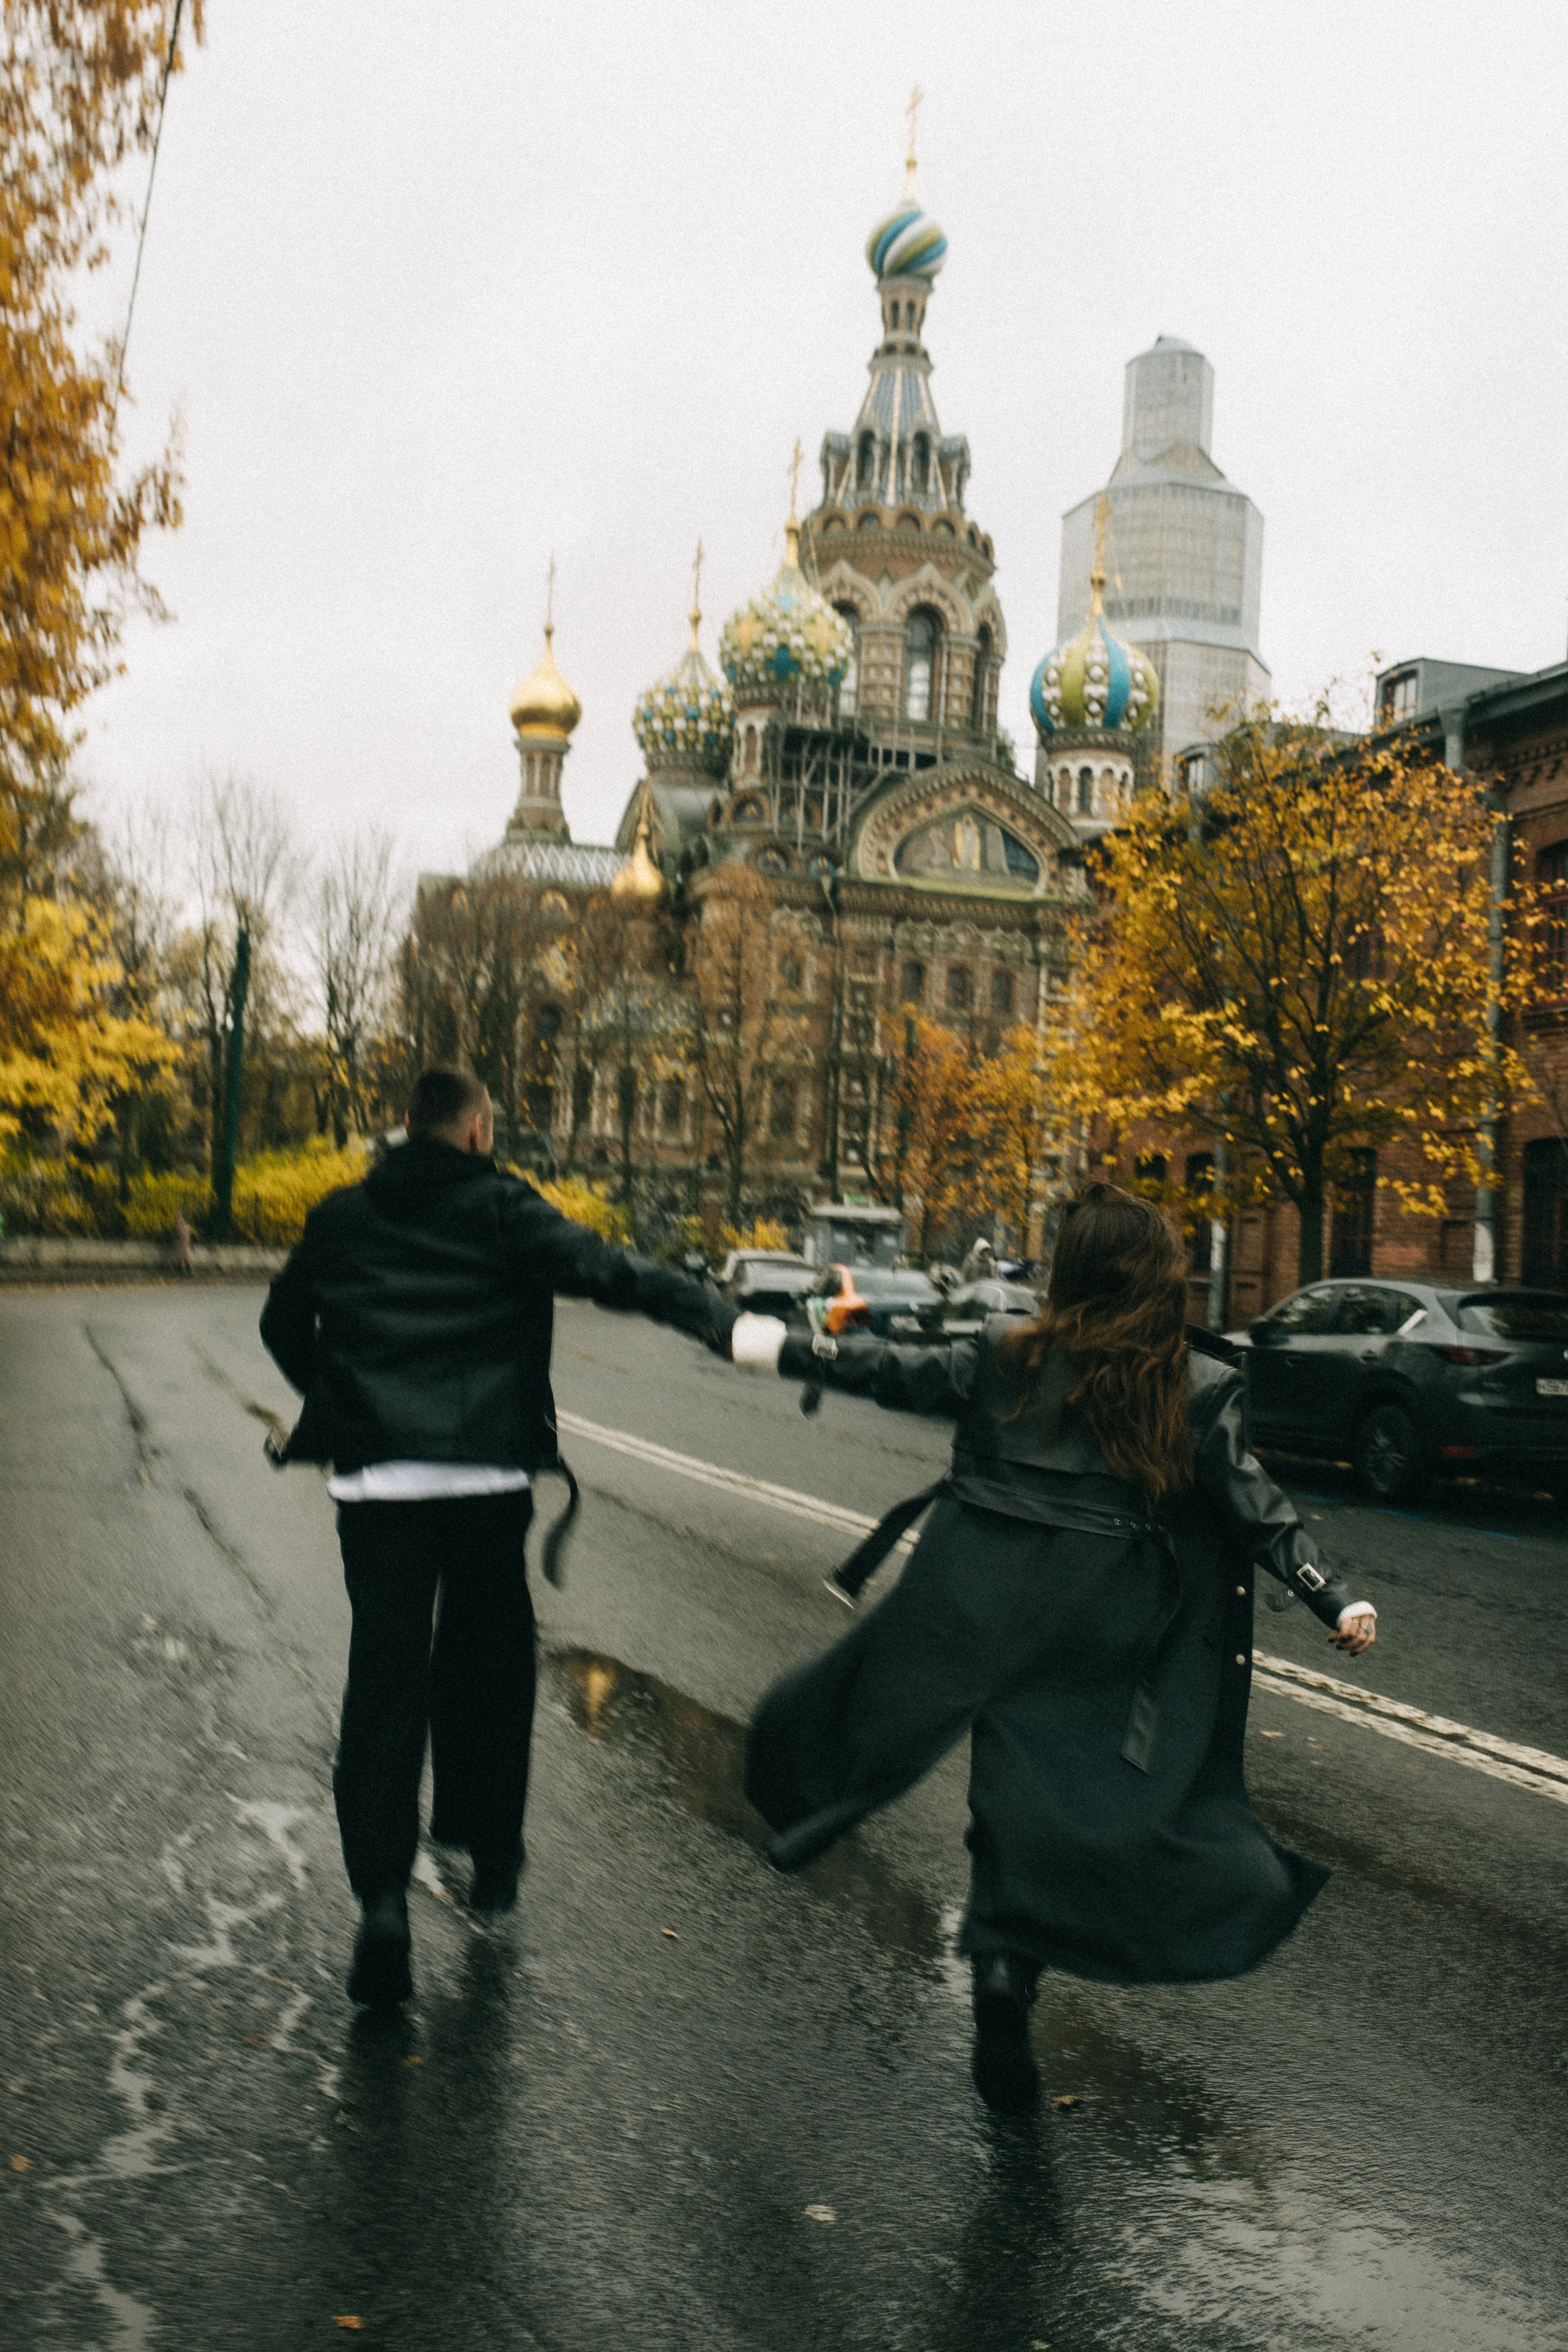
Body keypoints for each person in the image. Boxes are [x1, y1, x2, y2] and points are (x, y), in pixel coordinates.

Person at [728, 1183, 1376, 2115]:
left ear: (1068, 1275)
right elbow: (1254, 1507)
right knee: (1052, 1804)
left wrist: (769, 1343)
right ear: (1158, 1283)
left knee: (990, 1787)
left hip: (984, 1606)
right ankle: (1008, 1965)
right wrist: (1334, 1597)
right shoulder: (1192, 1385)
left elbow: (886, 1367)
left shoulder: (1006, 1357)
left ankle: (996, 1970)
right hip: (1105, 1630)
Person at [259, 1067, 737, 2007]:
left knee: (386, 1676)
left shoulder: (342, 1215)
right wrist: (721, 1319)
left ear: (407, 1128)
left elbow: (282, 1323)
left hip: (379, 1482)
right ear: (478, 1131)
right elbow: (616, 1273)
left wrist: (343, 1393)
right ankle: (492, 1852)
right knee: (490, 1664)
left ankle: (383, 1903)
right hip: (486, 1478)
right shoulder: (505, 1209)